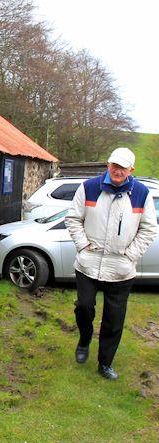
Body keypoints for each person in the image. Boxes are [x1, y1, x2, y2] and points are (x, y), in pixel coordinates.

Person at [65, 147, 157, 380]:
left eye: (122, 167)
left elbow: (148, 228)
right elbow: (73, 218)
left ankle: (105, 363)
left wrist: (131, 254)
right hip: (89, 262)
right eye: (114, 165)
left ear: (131, 170)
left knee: (114, 319)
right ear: (108, 165)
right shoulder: (89, 187)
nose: (117, 171)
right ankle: (84, 339)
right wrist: (83, 245)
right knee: (84, 307)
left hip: (121, 267)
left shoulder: (141, 193)